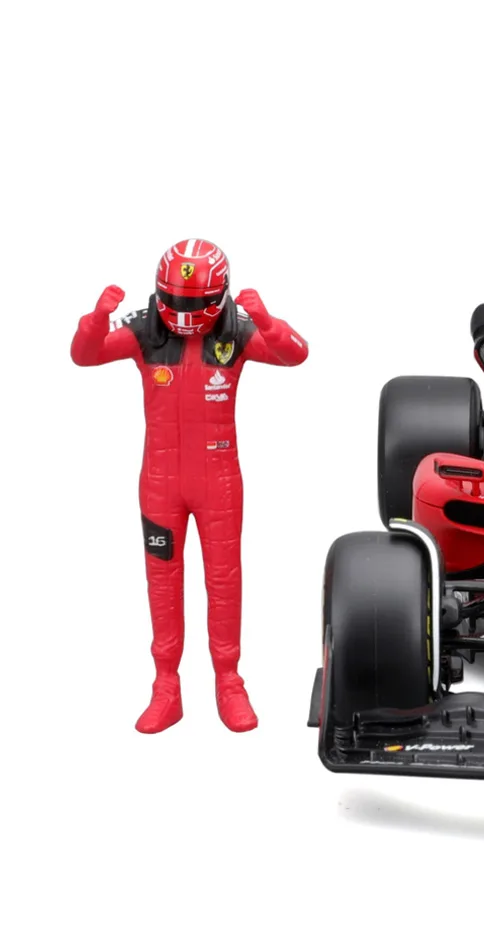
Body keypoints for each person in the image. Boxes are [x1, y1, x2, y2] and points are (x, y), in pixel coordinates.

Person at [71, 239, 309, 733]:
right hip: (160, 485)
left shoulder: (237, 332)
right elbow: (84, 356)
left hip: (219, 484)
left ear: (218, 296)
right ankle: (166, 687)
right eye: (174, 300)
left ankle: (229, 682)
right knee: (161, 583)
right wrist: (95, 318)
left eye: (192, 301)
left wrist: (267, 321)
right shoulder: (144, 330)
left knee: (225, 582)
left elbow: (296, 354)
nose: (181, 312)